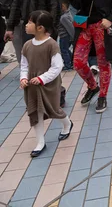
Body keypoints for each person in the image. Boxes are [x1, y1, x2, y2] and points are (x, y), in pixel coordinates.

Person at [20, 10, 73, 157]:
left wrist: (42, 78)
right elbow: (24, 65)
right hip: (32, 86)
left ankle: (67, 124)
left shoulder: (51, 45)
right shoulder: (27, 45)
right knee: (35, 112)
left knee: (54, 109)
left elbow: (57, 66)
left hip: (48, 86)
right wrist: (24, 78)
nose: (26, 25)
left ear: (40, 28)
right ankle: (40, 142)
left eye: (30, 22)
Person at [59, 0, 74, 71]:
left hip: (64, 36)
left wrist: (73, 37)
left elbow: (70, 27)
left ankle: (67, 64)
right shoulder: (68, 13)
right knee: (66, 50)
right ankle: (71, 61)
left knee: (64, 50)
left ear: (63, 6)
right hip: (66, 36)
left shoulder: (63, 18)